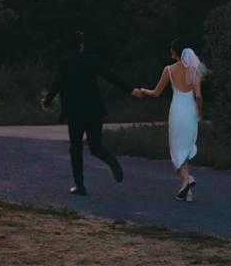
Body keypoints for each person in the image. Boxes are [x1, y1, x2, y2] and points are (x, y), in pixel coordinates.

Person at [42, 30, 144, 195]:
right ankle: (110, 159)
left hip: (75, 112)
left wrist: (47, 102)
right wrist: (131, 90)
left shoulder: (64, 63)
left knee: (75, 147)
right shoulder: (92, 60)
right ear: (81, 45)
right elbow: (110, 76)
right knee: (96, 147)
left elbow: (56, 85)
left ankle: (79, 185)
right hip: (95, 110)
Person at [140, 38, 204, 200]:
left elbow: (156, 93)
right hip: (190, 112)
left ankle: (186, 181)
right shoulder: (194, 70)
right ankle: (187, 190)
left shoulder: (168, 70)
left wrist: (143, 91)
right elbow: (198, 96)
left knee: (177, 149)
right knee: (185, 148)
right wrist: (199, 113)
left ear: (175, 52)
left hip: (177, 111)